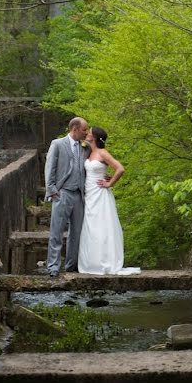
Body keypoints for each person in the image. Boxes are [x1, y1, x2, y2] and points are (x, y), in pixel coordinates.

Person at [78, 126, 139, 275]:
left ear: (95, 137)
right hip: (89, 193)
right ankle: (92, 262)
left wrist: (110, 183)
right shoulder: (89, 152)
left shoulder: (103, 153)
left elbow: (120, 168)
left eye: (90, 132)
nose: (87, 133)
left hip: (100, 192)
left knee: (102, 225)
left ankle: (105, 262)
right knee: (90, 226)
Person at [44, 117, 89, 277]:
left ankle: (71, 265)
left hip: (79, 194)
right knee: (56, 231)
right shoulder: (57, 144)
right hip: (62, 193)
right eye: (84, 129)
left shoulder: (85, 147)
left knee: (77, 232)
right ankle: (53, 267)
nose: (87, 132)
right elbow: (50, 167)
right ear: (75, 128)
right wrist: (51, 189)